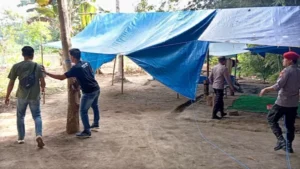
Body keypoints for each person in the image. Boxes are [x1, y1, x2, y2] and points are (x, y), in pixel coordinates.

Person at [43, 48, 100, 138]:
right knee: (95, 105)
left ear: (73, 57)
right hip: (96, 88)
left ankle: (87, 131)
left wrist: (47, 73)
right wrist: (77, 84)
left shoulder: (75, 68)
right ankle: (96, 123)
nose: (69, 58)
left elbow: (61, 77)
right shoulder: (86, 63)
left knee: (83, 111)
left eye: (70, 56)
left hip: (89, 91)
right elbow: (87, 75)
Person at [259, 51, 300, 153]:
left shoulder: (286, 71)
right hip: (294, 103)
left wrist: (266, 89)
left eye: (285, 59)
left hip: (282, 102)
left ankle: (281, 140)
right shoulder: (299, 71)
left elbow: (278, 86)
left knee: (271, 119)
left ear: (290, 61)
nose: (283, 61)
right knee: (290, 125)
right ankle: (289, 146)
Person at [5, 46, 46, 148]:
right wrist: (43, 89)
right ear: (32, 54)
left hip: (22, 96)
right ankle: (39, 134)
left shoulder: (16, 66)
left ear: (22, 55)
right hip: (34, 95)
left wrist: (7, 96)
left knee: (20, 116)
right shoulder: (38, 66)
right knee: (37, 116)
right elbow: (43, 82)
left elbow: (11, 83)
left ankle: (21, 138)